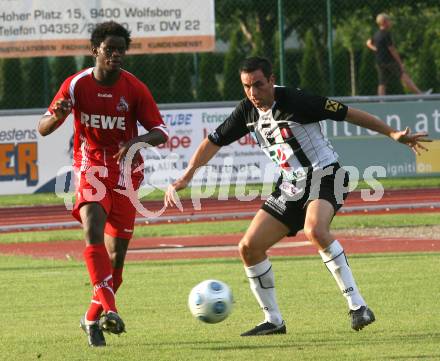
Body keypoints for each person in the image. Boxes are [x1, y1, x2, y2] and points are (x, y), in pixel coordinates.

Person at [164, 56, 430, 336]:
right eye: (246, 87)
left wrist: (392, 133)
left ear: (271, 79)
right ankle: (273, 320)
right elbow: (212, 142)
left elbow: (348, 112)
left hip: (327, 175)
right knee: (248, 248)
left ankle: (358, 306)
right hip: (290, 186)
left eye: (258, 84)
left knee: (314, 229)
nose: (253, 93)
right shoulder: (247, 111)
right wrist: (187, 176)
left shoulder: (296, 100)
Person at [37, 21, 168, 347]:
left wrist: (137, 140)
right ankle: (111, 309)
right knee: (92, 230)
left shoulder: (134, 88)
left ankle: (91, 318)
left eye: (121, 49)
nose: (116, 55)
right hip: (90, 169)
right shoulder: (76, 85)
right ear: (95, 50)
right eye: (110, 49)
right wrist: (57, 116)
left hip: (126, 177)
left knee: (116, 263)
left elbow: (161, 132)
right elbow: (43, 127)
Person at [366, 13, 428, 96]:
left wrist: (376, 49)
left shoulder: (376, 34)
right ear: (384, 22)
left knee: (382, 82)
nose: (391, 23)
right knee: (403, 75)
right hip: (389, 61)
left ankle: (380, 100)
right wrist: (400, 62)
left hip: (380, 61)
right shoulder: (386, 34)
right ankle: (420, 94)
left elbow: (368, 43)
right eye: (389, 21)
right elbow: (392, 49)